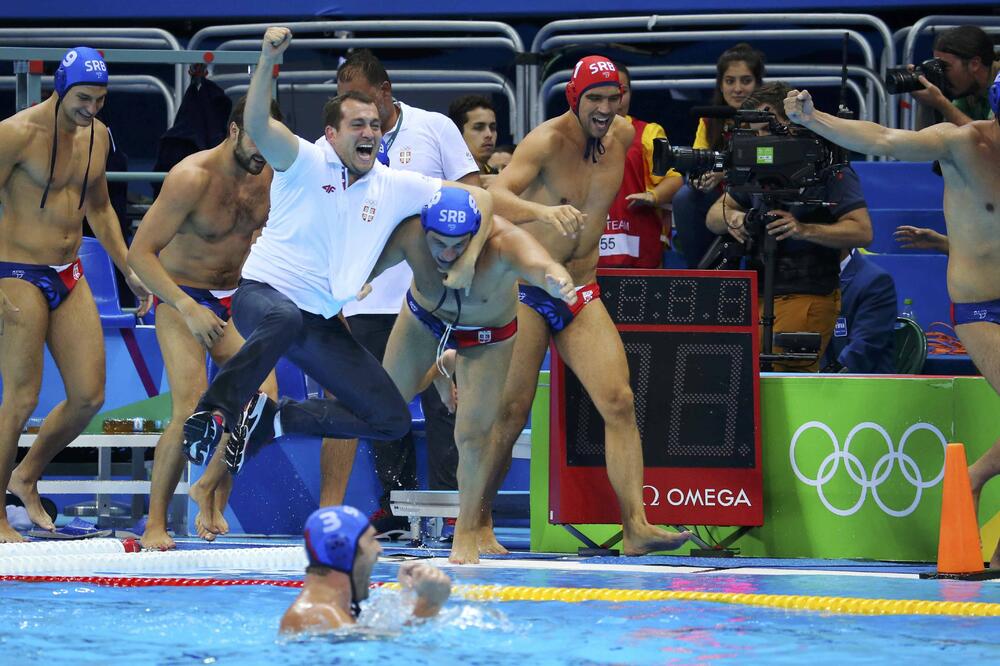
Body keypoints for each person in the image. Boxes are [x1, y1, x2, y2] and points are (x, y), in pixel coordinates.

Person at [182, 28, 491, 482]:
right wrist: (267, 60)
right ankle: (215, 412)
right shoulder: (303, 161)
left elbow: (479, 197)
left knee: (391, 419)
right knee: (284, 318)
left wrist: (478, 251)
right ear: (331, 134)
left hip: (318, 322)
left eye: (375, 125)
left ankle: (278, 419)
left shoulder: (393, 184)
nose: (369, 133)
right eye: (357, 125)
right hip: (262, 297)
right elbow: (257, 124)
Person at [784, 72, 1000, 567]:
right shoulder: (961, 143)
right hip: (980, 310)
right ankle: (973, 476)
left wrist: (947, 244)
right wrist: (815, 119)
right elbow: (882, 138)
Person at [487, 55, 693, 557]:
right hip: (530, 289)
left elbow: (672, 174)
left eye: (612, 98)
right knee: (510, 413)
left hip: (582, 289)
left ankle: (636, 526)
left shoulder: (624, 136)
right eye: (594, 99)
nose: (604, 108)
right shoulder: (546, 141)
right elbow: (494, 194)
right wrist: (541, 212)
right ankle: (475, 524)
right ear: (574, 100)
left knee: (619, 402)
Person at [369, 186, 575, 563]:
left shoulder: (505, 243)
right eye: (439, 244)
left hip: (487, 336)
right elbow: (367, 265)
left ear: (476, 234)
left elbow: (543, 265)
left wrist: (556, 281)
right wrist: (355, 282)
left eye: (459, 245)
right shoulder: (410, 234)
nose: (448, 254)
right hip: (425, 319)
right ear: (424, 229)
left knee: (473, 435)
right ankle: (442, 367)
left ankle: (465, 529)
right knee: (384, 407)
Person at [0, 47, 152, 542]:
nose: (92, 108)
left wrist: (129, 269)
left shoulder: (97, 136)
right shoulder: (16, 134)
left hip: (69, 272)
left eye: (100, 99)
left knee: (88, 396)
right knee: (21, 398)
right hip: (17, 271)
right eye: (84, 98)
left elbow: (100, 208)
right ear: (60, 89)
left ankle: (25, 477)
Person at [336, 49, 481, 535]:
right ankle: (395, 507)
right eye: (344, 101)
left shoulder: (434, 128)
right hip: (367, 298)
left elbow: (475, 194)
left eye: (360, 98)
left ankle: (453, 507)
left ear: (386, 92)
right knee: (381, 403)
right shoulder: (333, 140)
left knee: (445, 403)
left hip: (432, 293)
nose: (352, 110)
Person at [127, 96, 282, 550]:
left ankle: (209, 490)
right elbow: (140, 254)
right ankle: (156, 523)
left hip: (234, 298)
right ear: (234, 131)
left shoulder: (271, 174)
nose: (265, 152)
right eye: (257, 140)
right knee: (190, 408)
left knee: (264, 400)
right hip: (183, 297)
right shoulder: (190, 177)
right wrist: (185, 306)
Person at [706, 82, 873, 372]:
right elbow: (714, 215)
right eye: (756, 132)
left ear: (791, 120)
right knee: (741, 381)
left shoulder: (829, 167)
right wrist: (735, 218)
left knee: (784, 380)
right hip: (755, 295)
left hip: (807, 294)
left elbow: (862, 231)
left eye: (768, 129)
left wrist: (803, 229)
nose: (762, 139)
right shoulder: (756, 166)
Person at [280, 505, 452, 634]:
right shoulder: (317, 616)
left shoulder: (330, 612)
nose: (379, 549)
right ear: (344, 550)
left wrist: (410, 594)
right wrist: (430, 603)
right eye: (371, 539)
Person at [672, 44, 766, 268]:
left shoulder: (769, 118)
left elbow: (768, 159)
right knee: (685, 197)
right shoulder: (709, 121)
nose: (737, 89)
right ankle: (703, 276)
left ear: (758, 84)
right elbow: (699, 161)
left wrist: (726, 171)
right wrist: (700, 179)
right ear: (721, 85)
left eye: (746, 81)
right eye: (730, 81)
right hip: (719, 201)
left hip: (759, 197)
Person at [598, 62, 682, 269]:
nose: (614, 101)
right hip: (588, 255)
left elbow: (674, 179)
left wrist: (652, 196)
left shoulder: (649, 132)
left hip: (641, 252)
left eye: (621, 92)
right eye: (603, 94)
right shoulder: (574, 136)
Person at [822, 249, 898, 374]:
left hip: (864, 381)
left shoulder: (876, 281)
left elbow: (862, 349)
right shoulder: (807, 278)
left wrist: (822, 380)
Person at [912, 26, 999, 127]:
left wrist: (942, 104)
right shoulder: (967, 88)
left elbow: (992, 136)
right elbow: (935, 136)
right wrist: (926, 103)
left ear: (974, 64)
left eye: (945, 67)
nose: (941, 73)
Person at [448, 95, 499, 184]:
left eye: (493, 128)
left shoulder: (501, 178)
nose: (489, 134)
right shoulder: (441, 178)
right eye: (478, 127)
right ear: (458, 133)